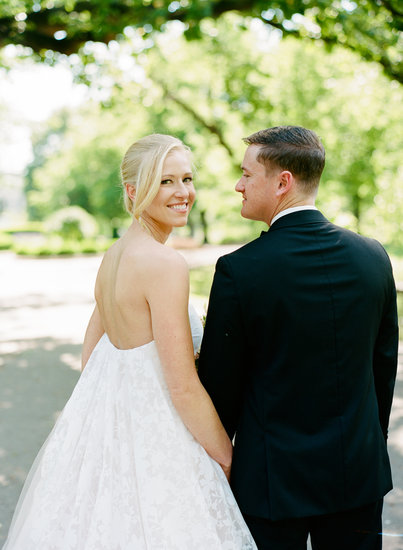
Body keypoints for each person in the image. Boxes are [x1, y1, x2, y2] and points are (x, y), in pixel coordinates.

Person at [2, 134, 257, 550]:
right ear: (133, 191)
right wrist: (228, 460)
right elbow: (182, 386)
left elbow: (93, 353)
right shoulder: (163, 264)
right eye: (165, 181)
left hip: (116, 433)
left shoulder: (114, 256)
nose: (182, 192)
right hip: (164, 441)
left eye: (186, 179)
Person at [197, 125, 399, 550]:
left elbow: (221, 389)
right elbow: (383, 364)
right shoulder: (374, 257)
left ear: (282, 182)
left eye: (247, 174)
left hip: (271, 483)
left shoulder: (239, 270)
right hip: (357, 474)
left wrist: (220, 465)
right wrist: (365, 444)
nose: (238, 185)